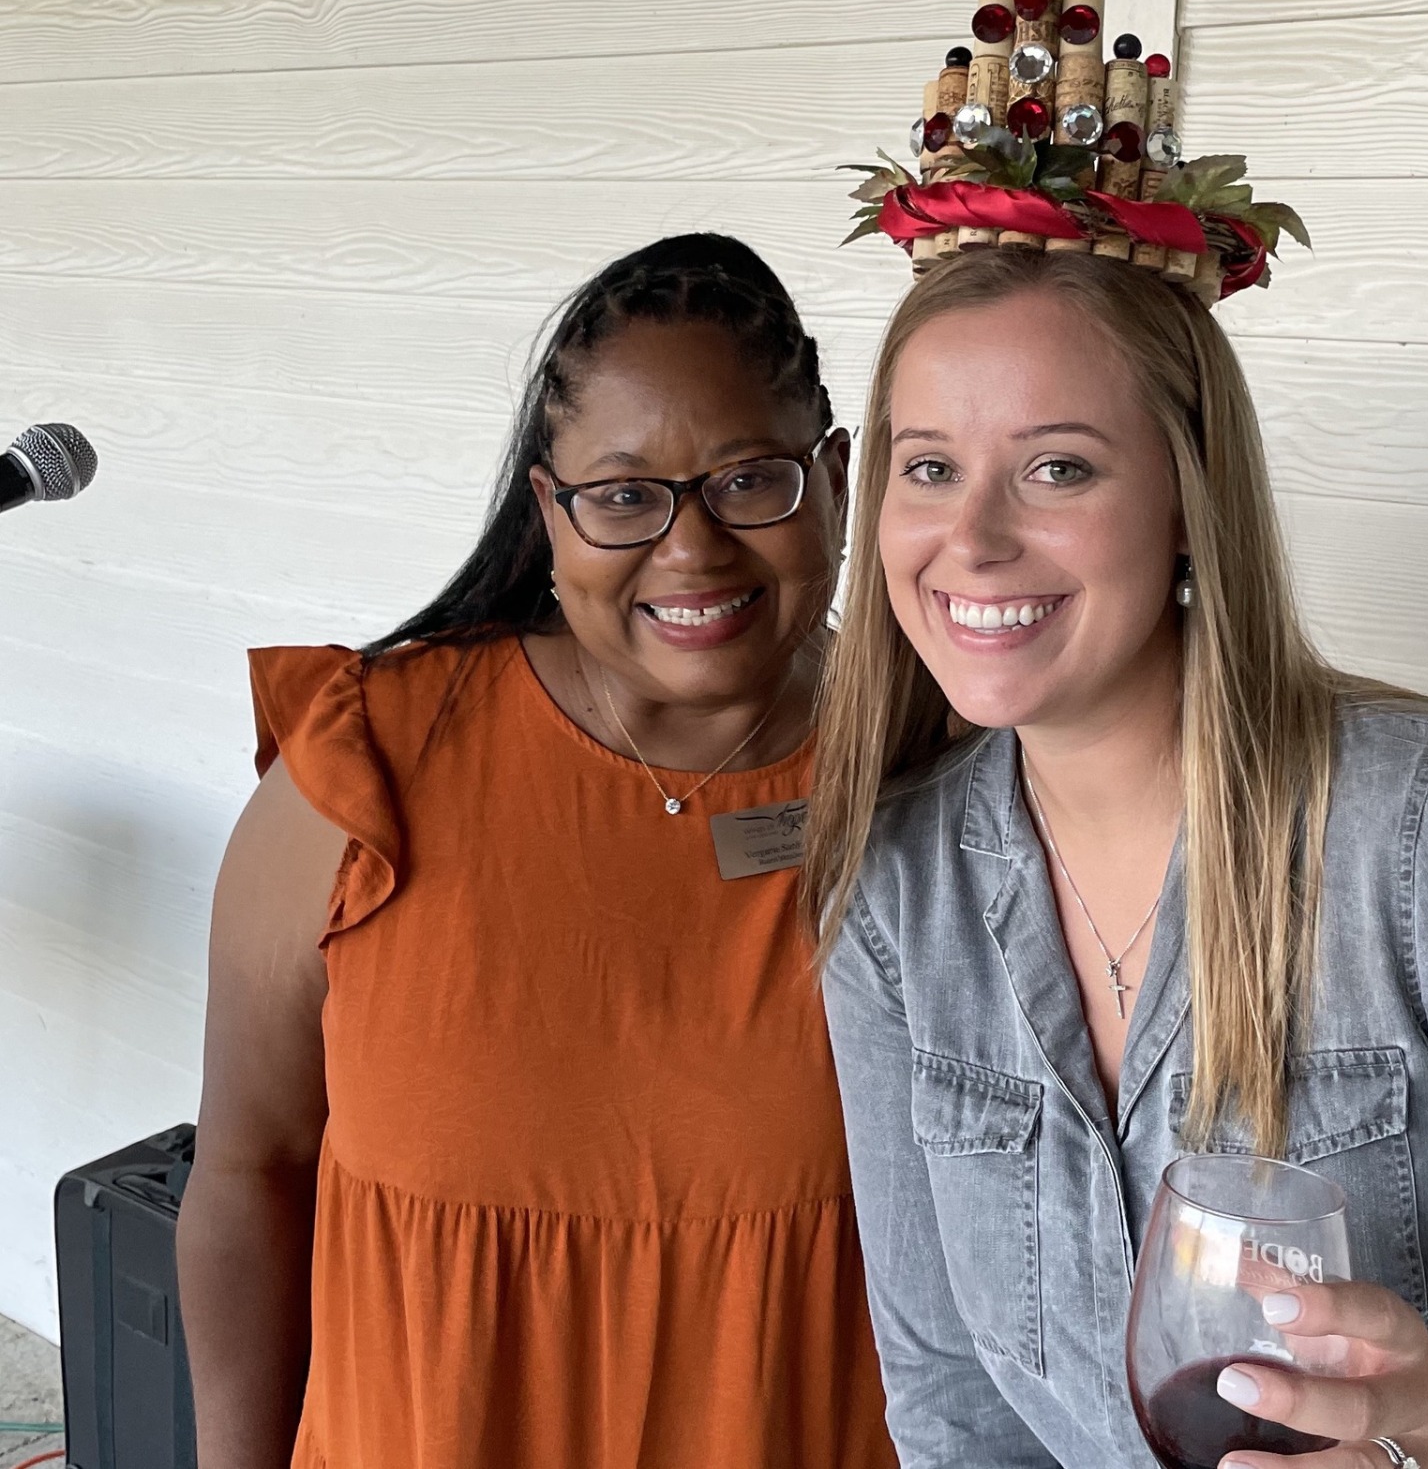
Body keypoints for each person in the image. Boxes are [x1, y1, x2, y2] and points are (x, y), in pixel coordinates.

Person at [805, 246, 1428, 1469]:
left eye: (1057, 467)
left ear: (1190, 501)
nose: (972, 538)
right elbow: (956, 1408)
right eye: (929, 468)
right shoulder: (895, 889)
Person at [178, 234, 896, 1469]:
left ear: (832, 477)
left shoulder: (933, 774)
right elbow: (252, 1168)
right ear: (548, 510)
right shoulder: (367, 769)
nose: (692, 549)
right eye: (622, 496)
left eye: (748, 480)